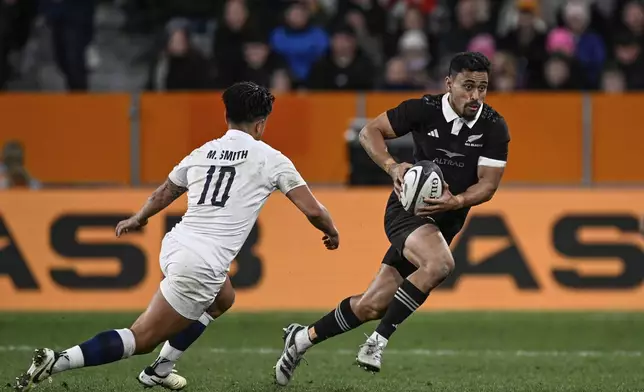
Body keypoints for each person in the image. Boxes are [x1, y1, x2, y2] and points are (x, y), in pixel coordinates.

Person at [14, 82, 340, 392]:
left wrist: (138, 218)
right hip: (199, 265)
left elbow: (165, 191)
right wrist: (331, 231)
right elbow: (313, 210)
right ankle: (57, 361)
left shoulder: (203, 152)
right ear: (261, 124)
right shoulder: (271, 159)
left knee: (222, 297)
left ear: (226, 117)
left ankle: (161, 369)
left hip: (176, 243)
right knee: (141, 338)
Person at [274, 52, 510, 385]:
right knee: (440, 265)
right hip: (406, 210)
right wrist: (394, 166)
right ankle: (377, 342)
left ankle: (301, 339)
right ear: (449, 84)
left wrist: (455, 201)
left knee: (372, 305)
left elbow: (487, 186)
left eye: (482, 88)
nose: (475, 96)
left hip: (445, 222)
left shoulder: (493, 126)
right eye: (467, 86)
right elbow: (369, 132)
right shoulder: (423, 110)